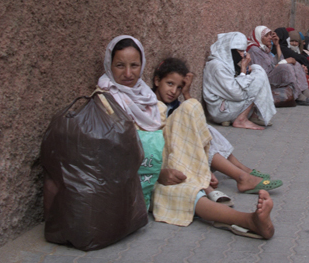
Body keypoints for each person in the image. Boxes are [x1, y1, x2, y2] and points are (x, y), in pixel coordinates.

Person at [97, 35, 275, 239]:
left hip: (167, 159)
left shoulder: (144, 93)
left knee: (190, 108)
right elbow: (117, 150)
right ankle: (246, 220)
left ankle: (222, 185)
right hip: (142, 171)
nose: (128, 73)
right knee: (179, 191)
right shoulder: (106, 99)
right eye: (120, 65)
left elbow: (168, 133)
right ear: (109, 66)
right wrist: (158, 173)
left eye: (134, 65)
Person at [152, 57, 283, 200]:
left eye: (178, 87)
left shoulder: (174, 104)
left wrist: (186, 92)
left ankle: (243, 170)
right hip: (169, 152)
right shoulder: (151, 104)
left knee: (206, 129)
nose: (173, 91)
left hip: (183, 147)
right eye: (169, 84)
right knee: (198, 133)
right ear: (157, 81)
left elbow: (196, 117)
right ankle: (242, 176)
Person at [203, 32, 276, 130]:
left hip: (229, 103)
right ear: (229, 50)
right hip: (221, 111)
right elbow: (237, 94)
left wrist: (246, 70)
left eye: (244, 51)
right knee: (258, 77)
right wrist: (243, 70)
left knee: (256, 68)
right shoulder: (217, 66)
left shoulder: (225, 62)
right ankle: (241, 119)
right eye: (240, 51)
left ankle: (252, 114)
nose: (243, 55)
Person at [248, 26, 309, 107]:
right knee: (286, 67)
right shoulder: (254, 50)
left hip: (271, 75)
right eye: (266, 36)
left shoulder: (264, 48)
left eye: (270, 35)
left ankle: (308, 95)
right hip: (264, 79)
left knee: (296, 64)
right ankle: (298, 96)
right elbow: (263, 72)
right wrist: (285, 62)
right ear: (259, 37)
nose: (269, 38)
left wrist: (277, 45)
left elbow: (276, 61)